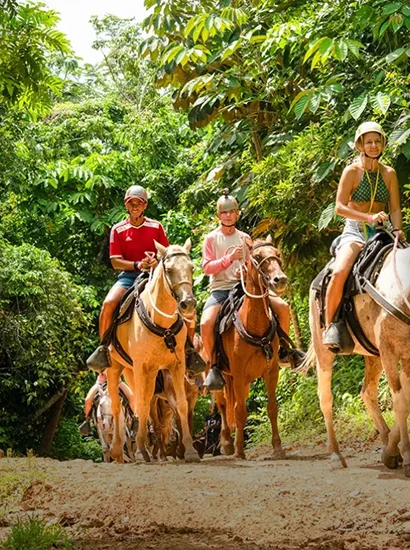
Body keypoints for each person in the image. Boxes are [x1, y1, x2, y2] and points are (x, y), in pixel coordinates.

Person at [200, 189, 306, 391]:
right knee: (206, 322)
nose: (228, 215)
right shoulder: (211, 239)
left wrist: (246, 269)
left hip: (244, 288)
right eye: (224, 212)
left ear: (237, 214)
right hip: (221, 290)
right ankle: (214, 366)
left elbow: (254, 265)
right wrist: (228, 260)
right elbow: (206, 267)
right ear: (218, 216)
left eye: (232, 211)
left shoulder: (245, 238)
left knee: (282, 307)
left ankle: (284, 350)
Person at [323, 121, 406, 351]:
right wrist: (367, 217)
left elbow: (395, 208)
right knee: (339, 272)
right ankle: (331, 325)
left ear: (383, 144)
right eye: (369, 141)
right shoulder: (352, 171)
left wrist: (398, 229)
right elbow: (339, 207)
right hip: (355, 231)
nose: (373, 145)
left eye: (377, 141)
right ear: (360, 144)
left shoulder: (388, 173)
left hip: (382, 231)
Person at [86, 185, 169, 372]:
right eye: (131, 203)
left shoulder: (156, 227)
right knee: (108, 304)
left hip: (154, 276)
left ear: (144, 205)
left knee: (180, 300)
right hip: (129, 277)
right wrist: (138, 265)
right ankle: (103, 348)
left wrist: (155, 262)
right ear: (126, 205)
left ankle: (186, 348)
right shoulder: (118, 229)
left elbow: (166, 253)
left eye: (138, 203)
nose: (134, 207)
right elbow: (115, 262)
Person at [79, 371, 134, 436]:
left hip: (117, 382)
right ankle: (87, 420)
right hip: (101, 383)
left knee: (132, 397)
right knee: (87, 400)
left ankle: (134, 417)